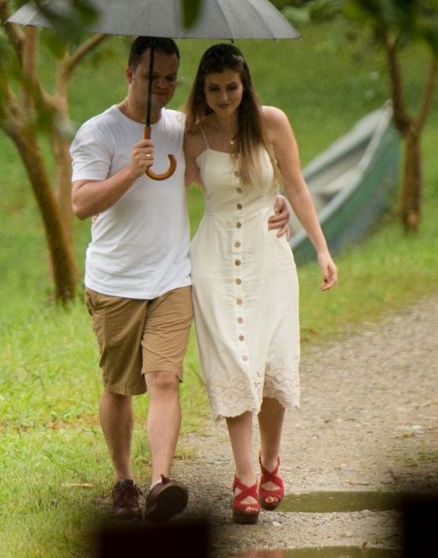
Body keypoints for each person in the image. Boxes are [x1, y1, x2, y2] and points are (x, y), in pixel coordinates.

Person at [70, 37, 290, 521]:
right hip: (115, 281)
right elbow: (81, 203)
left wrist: (272, 203)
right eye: (153, 77)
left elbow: (225, 178)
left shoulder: (181, 128)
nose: (164, 86)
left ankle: (159, 482)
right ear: (130, 75)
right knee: (119, 387)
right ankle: (124, 478)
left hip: (172, 277)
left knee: (166, 378)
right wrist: (130, 171)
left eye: (171, 77)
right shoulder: (98, 133)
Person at [181, 43, 337, 524]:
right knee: (233, 360)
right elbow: (168, 192)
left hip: (268, 255)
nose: (223, 97)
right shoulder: (192, 133)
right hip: (214, 257)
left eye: (231, 87)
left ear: (244, 85)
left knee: (270, 363)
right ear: (202, 90)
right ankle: (245, 476)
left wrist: (322, 247)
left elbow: (295, 185)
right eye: (213, 89)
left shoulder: (272, 123)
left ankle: (271, 462)